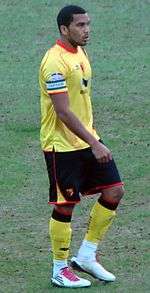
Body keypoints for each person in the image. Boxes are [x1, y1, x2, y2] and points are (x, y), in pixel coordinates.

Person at [39, 5, 124, 288]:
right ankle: (59, 268)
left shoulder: (81, 53)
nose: (86, 30)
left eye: (88, 24)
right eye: (80, 25)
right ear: (64, 29)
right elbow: (62, 111)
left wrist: (92, 139)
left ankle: (86, 256)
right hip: (61, 145)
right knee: (65, 206)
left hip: (86, 138)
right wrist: (94, 144)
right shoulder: (54, 62)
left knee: (114, 190)